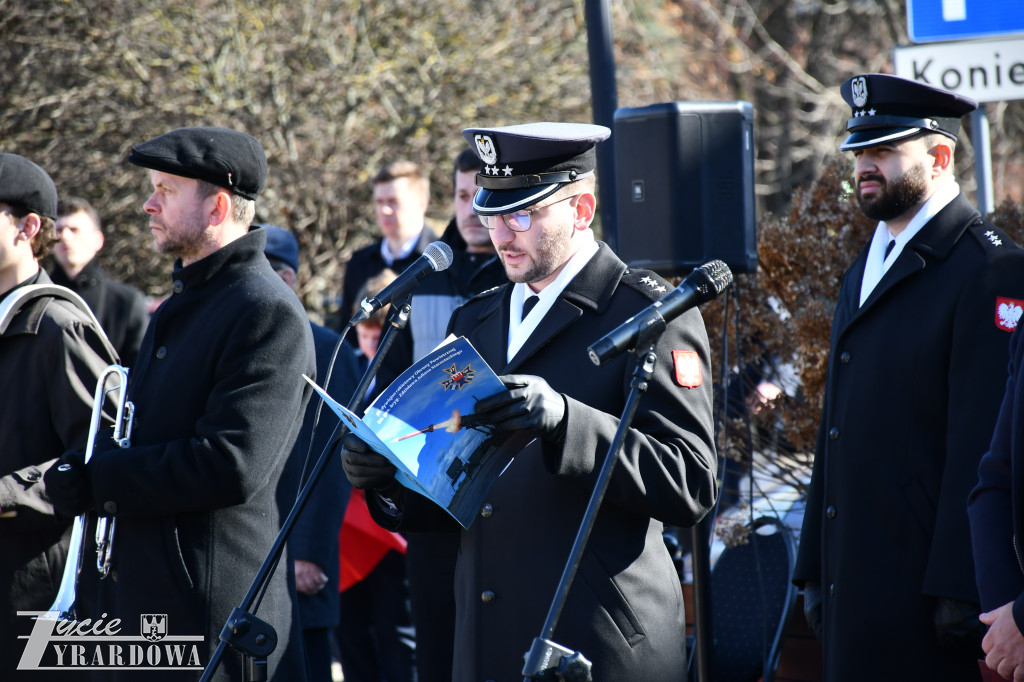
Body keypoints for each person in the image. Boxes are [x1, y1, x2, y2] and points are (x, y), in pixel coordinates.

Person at [341, 122, 718, 682]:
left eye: (523, 214)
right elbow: (457, 484)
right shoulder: (478, 316)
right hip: (489, 641)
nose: (500, 235)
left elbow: (691, 480)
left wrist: (569, 423)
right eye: (492, 215)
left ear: (582, 209)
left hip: (596, 642)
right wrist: (388, 480)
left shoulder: (646, 313)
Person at [43, 127, 316, 681]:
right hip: (149, 612)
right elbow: (144, 436)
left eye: (166, 190)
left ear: (217, 206)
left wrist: (102, 478)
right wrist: (83, 463)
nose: (148, 203)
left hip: (210, 622)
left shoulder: (266, 311)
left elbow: (230, 464)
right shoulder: (184, 302)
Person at [792, 74, 1024, 682]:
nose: (865, 167)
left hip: (925, 601)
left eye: (884, 152)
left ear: (940, 157)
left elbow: (983, 439)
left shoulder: (988, 267)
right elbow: (834, 432)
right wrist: (814, 567)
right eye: (860, 153)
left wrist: (962, 587)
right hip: (854, 585)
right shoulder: (861, 271)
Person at [0, 153, 119, 679]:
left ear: (27, 228)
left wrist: (7, 493)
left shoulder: (59, 326)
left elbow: (104, 458)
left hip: (34, 596)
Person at [401, 146, 507, 682]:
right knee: (435, 647)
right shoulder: (425, 272)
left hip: (497, 488)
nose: (470, 210)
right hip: (429, 489)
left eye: (483, 197)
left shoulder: (520, 275)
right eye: (463, 195)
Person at [262, 224, 361, 682]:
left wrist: (311, 555)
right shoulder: (245, 341)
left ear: (286, 280)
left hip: (299, 561)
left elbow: (332, 461)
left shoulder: (329, 349)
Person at [337, 160, 437, 350]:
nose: (384, 210)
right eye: (379, 202)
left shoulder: (440, 262)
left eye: (393, 201)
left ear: (421, 204)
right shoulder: (360, 263)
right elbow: (348, 337)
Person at [48, 196, 150, 367]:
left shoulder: (126, 303)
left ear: (98, 240)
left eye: (74, 229)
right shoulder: (36, 296)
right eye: (59, 230)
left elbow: (137, 374)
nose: (64, 236)